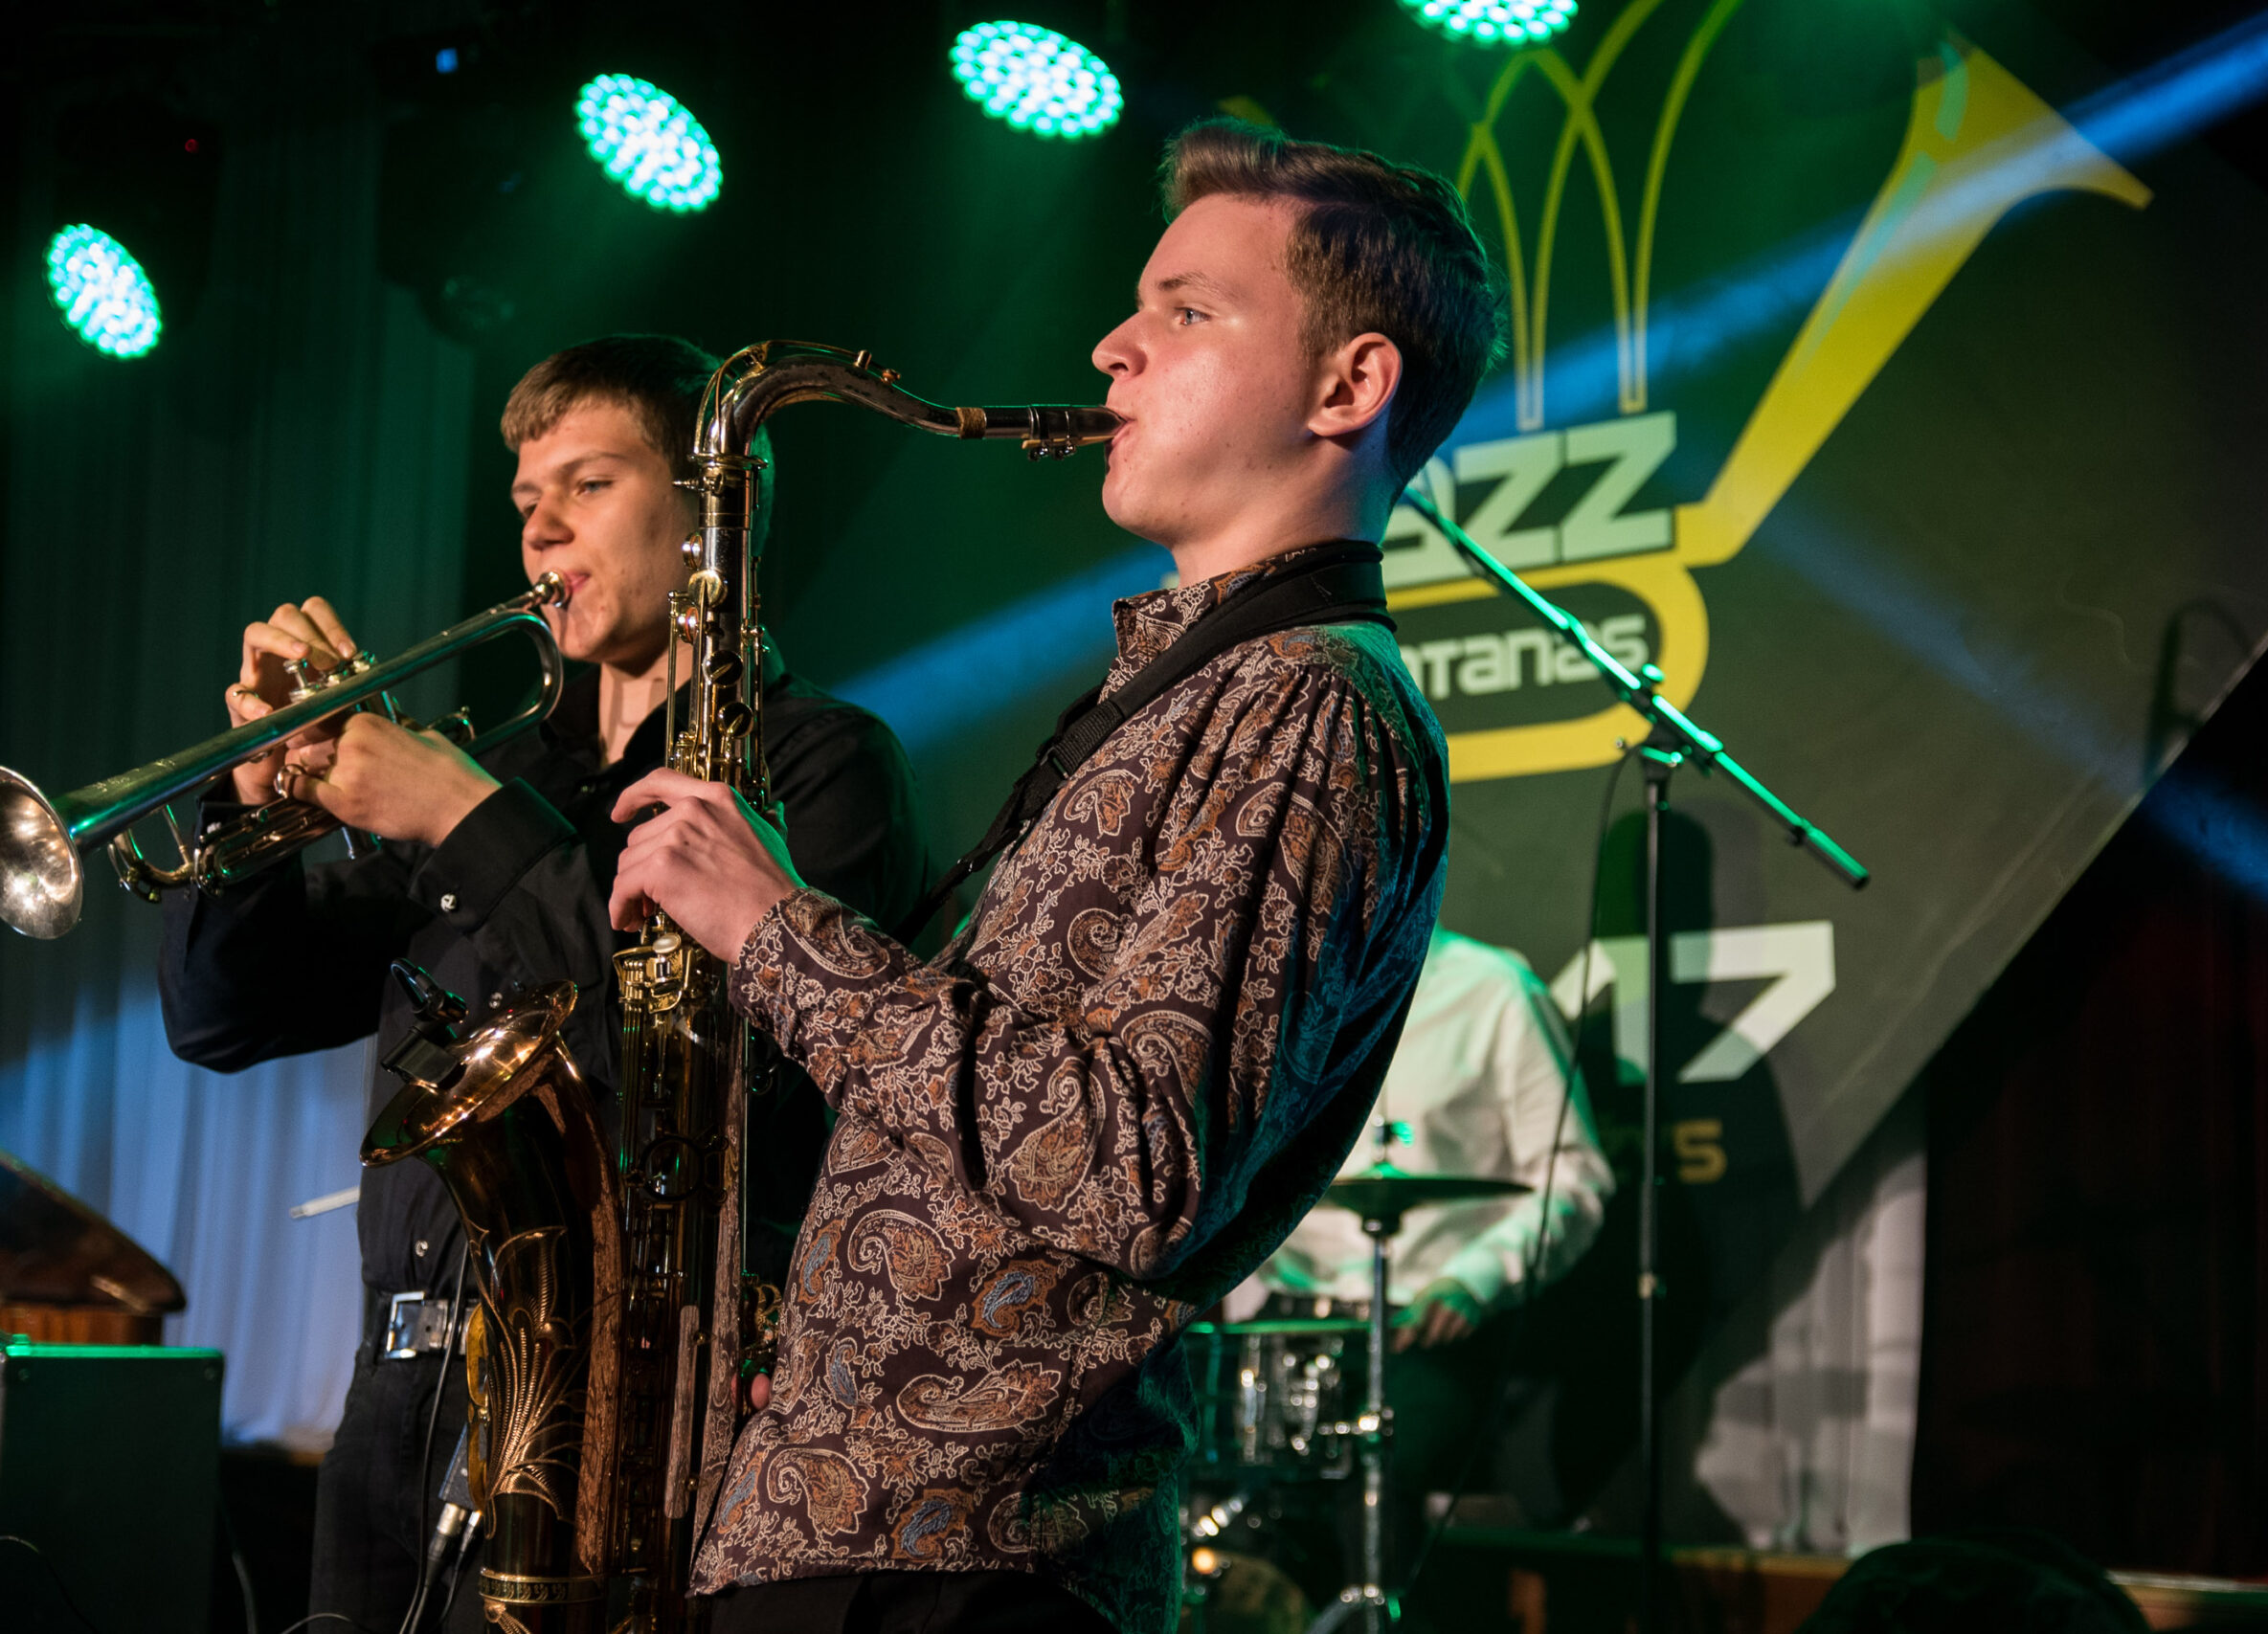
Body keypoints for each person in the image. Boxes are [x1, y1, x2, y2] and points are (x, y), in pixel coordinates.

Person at [604, 120, 1501, 1632]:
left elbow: (1133, 1162)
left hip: (969, 1562)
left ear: (1350, 386)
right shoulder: (1204, 690)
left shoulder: (1313, 705)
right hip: (874, 1529)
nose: (1110, 348)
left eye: (1186, 311)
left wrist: (773, 924)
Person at [157, 334, 930, 1632]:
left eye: (590, 484)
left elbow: (718, 1075)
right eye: (526, 499)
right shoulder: (503, 770)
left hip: (628, 1418)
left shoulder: (819, 765)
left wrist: (461, 817)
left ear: (716, 511)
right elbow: (222, 1015)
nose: (541, 530)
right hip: (398, 1405)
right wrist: (249, 803)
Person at [1240, 924, 1614, 1606]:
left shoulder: (1494, 988)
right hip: (1288, 1317)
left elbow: (1574, 1179)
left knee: (1382, 1482)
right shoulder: (1269, 987)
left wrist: (1477, 1278)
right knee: (1207, 1486)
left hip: (1425, 1323)